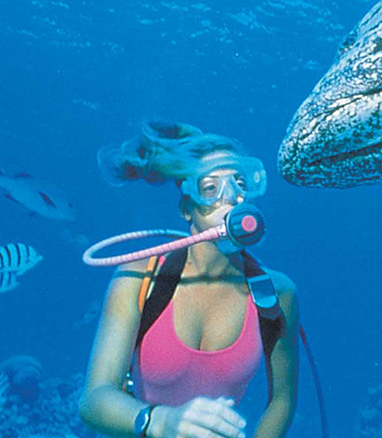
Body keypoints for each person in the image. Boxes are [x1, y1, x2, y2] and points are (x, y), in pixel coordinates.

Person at [79, 122, 299, 438]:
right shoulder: (139, 278)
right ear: (187, 208)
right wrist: (160, 422)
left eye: (239, 184)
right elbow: (93, 401)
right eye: (211, 188)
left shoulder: (277, 293)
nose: (231, 198)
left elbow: (282, 400)